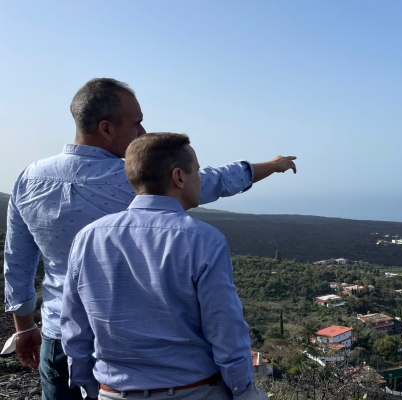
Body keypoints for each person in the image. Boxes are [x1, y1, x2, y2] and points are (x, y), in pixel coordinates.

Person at [3, 78, 295, 399]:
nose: (141, 132)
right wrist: (273, 165)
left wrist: (24, 327)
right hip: (139, 354)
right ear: (106, 128)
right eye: (137, 122)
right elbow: (215, 179)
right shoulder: (134, 178)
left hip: (61, 339)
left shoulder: (29, 178)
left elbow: (18, 260)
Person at [61, 133, 268, 399]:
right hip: (193, 391)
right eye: (197, 171)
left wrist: (85, 383)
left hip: (112, 391)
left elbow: (75, 325)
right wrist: (243, 389)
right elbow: (226, 328)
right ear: (179, 177)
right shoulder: (204, 240)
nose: (201, 179)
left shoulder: (88, 238)